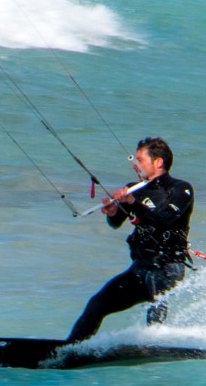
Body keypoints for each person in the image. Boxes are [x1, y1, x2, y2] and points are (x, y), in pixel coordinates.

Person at [66, 137, 194, 343]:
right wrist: (113, 211)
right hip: (141, 267)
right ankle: (69, 349)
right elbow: (116, 223)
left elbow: (165, 220)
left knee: (155, 282)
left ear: (158, 162)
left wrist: (133, 202)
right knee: (98, 303)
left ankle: (154, 339)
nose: (136, 164)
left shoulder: (180, 189)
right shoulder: (134, 189)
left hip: (169, 266)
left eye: (140, 159)